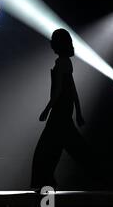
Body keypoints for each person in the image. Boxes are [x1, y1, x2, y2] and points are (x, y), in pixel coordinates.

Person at [31, 28, 92, 189]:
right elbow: (72, 89)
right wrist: (78, 112)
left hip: (59, 112)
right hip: (64, 111)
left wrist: (46, 110)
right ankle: (47, 191)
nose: (51, 42)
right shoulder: (66, 62)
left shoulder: (61, 62)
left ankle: (46, 190)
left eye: (53, 39)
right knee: (63, 150)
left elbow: (59, 90)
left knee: (44, 154)